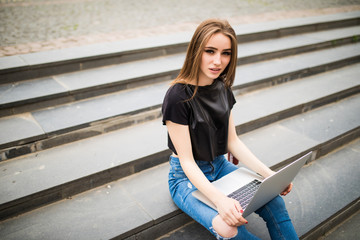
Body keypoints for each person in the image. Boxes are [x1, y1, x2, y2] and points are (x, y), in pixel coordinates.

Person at [161, 18, 298, 240]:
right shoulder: (177, 96)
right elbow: (186, 161)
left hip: (220, 165)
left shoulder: (222, 89)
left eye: (226, 53)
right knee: (228, 228)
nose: (218, 61)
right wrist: (220, 200)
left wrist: (271, 176)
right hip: (185, 177)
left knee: (275, 201)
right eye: (210, 51)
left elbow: (232, 142)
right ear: (196, 51)